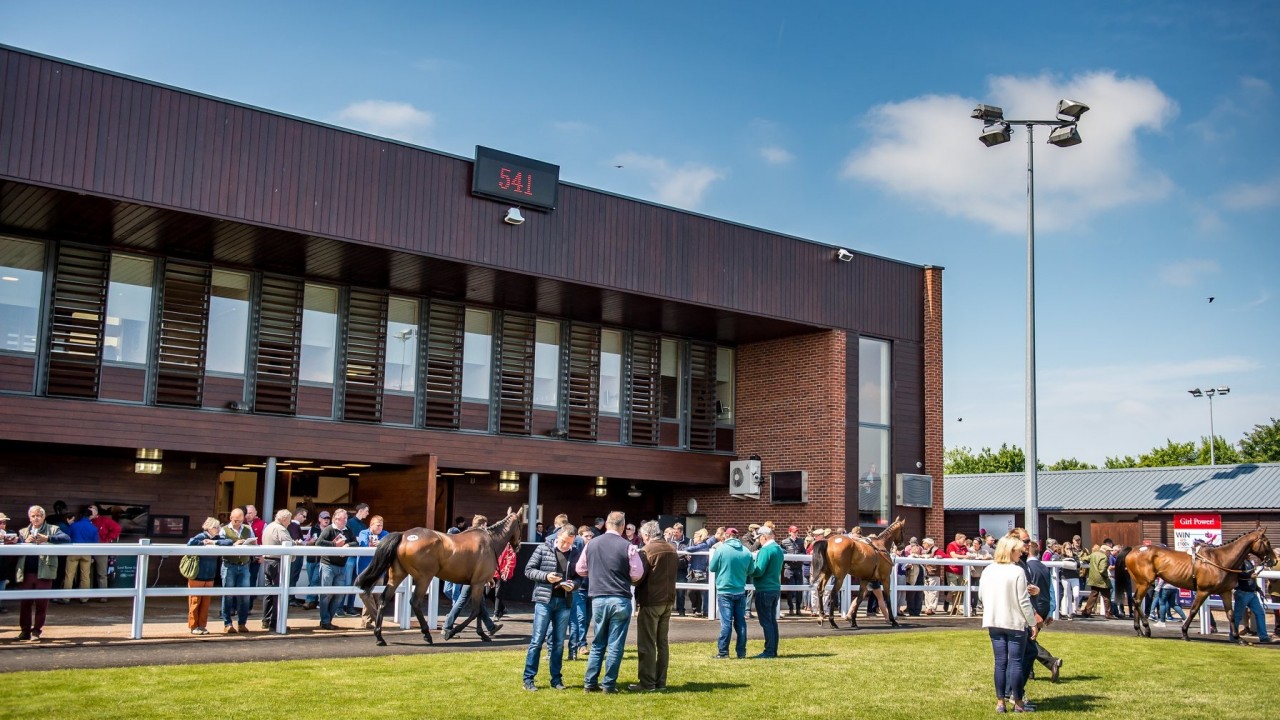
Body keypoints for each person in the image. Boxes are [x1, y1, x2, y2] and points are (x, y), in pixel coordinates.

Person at [575, 511, 643, 693]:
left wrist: (596, 572)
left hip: (598, 597)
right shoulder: (628, 546)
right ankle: (608, 685)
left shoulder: (591, 544)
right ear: (622, 526)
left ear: (606, 524)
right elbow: (637, 574)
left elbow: (580, 569)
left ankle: (590, 683)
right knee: (615, 644)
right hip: (620, 598)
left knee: (598, 643)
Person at [979, 535, 1037, 714]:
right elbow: (1024, 601)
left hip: (994, 621)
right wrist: (1032, 622)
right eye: (1019, 550)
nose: (1021, 553)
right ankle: (1018, 703)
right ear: (1011, 551)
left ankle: (1000, 702)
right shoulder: (1017, 571)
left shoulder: (988, 570)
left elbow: (981, 596)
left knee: (1000, 663)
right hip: (1014, 622)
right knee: (1017, 663)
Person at [523, 524, 577, 691]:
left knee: (559, 642)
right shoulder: (543, 548)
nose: (566, 546)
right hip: (544, 600)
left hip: (564, 601)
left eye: (570, 543)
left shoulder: (575, 552)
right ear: (558, 536)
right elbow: (528, 570)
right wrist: (546, 576)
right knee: (537, 640)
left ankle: (556, 679)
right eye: (564, 542)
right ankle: (528, 679)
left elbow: (580, 577)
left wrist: (573, 585)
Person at [630, 520, 677, 691]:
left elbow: (638, 577)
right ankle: (661, 682)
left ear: (647, 535)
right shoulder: (672, 549)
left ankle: (647, 682)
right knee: (662, 643)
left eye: (643, 536)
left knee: (647, 643)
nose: (642, 539)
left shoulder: (646, 551)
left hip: (651, 601)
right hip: (668, 600)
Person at [441, 515, 503, 640]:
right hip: (471, 577)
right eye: (485, 525)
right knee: (462, 601)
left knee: (480, 602)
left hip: (472, 576)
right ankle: (447, 626)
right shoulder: (477, 538)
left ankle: (490, 627)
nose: (487, 528)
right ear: (482, 525)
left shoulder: (469, 534)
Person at [14, 505, 71, 640]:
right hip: (27, 572)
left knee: (42, 603)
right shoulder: (22, 532)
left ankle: (36, 631)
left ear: (43, 517)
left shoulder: (53, 529)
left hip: (45, 571)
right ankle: (25, 631)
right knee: (25, 603)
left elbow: (66, 538)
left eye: (38, 515)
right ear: (29, 517)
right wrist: (24, 542)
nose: (36, 518)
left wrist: (48, 539)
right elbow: (15, 547)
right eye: (33, 516)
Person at [1018, 535, 1063, 695]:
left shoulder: (1026, 568)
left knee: (1028, 640)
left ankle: (1051, 662)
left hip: (1034, 607)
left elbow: (1027, 592)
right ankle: (1030, 673)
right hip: (1044, 606)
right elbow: (1051, 589)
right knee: (1030, 639)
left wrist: (1034, 612)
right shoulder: (1045, 567)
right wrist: (1051, 610)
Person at [709, 527, 751, 659]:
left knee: (726, 623)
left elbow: (712, 567)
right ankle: (741, 652)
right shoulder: (746, 551)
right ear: (737, 537)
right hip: (740, 590)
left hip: (724, 590)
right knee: (741, 623)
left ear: (726, 536)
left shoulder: (720, 549)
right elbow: (751, 570)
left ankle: (723, 652)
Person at [186, 517, 233, 635]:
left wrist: (214, 542)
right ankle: (193, 626)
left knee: (205, 602)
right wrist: (203, 543)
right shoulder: (201, 536)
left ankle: (202, 625)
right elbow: (190, 542)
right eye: (215, 527)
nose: (217, 530)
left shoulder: (217, 538)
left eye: (218, 527)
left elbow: (229, 542)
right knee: (195, 601)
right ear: (208, 527)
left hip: (210, 575)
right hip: (197, 575)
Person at [315, 507, 356, 630]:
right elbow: (319, 542)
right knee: (326, 594)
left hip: (342, 566)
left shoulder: (347, 530)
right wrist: (334, 545)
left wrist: (347, 545)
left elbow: (355, 542)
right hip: (328, 564)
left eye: (345, 519)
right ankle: (325, 621)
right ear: (335, 519)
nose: (343, 521)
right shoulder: (329, 529)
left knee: (338, 594)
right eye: (341, 519)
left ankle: (329, 619)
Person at [219, 508, 256, 633]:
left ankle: (242, 623)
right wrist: (234, 545)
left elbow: (253, 544)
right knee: (228, 595)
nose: (238, 523)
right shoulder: (224, 530)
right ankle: (227, 623)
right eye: (236, 520)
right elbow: (220, 544)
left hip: (244, 564)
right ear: (231, 518)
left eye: (240, 521)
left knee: (245, 595)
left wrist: (250, 544)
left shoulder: (247, 529)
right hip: (229, 564)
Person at [749, 525, 784, 658]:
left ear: (764, 536)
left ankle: (769, 651)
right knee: (772, 621)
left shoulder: (766, 550)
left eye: (759, 538)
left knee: (766, 622)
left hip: (764, 589)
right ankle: (772, 650)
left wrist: (748, 568)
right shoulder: (778, 549)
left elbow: (758, 571)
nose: (758, 541)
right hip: (774, 588)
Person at [260, 509, 293, 631]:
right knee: (278, 593)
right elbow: (288, 544)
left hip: (267, 561)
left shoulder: (269, 526)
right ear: (284, 519)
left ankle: (266, 620)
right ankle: (275, 622)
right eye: (289, 520)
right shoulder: (281, 529)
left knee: (269, 593)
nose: (289, 523)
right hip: (277, 562)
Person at [355, 515, 388, 628]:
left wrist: (379, 544)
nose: (380, 528)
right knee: (365, 594)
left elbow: (387, 545)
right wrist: (374, 544)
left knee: (377, 596)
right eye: (378, 525)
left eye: (382, 525)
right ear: (371, 525)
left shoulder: (385, 534)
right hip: (365, 569)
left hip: (379, 570)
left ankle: (366, 622)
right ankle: (377, 618)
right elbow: (363, 544)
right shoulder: (364, 533)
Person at [63, 506, 99, 603]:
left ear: (80, 515)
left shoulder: (74, 525)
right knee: (85, 576)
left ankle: (66, 597)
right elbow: (96, 544)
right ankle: (84, 598)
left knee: (69, 575)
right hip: (87, 553)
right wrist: (93, 556)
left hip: (73, 552)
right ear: (90, 515)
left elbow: (66, 537)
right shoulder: (94, 528)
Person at [1233, 555, 1272, 644]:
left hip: (1251, 592)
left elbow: (1251, 579)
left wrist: (1257, 588)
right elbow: (1238, 573)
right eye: (1248, 553)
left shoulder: (1249, 562)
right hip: (1243, 592)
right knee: (1237, 615)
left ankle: (1263, 636)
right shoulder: (1240, 562)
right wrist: (1250, 575)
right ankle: (1233, 635)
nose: (1250, 554)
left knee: (1260, 613)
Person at [567, 525, 593, 659]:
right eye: (586, 536)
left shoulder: (594, 549)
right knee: (581, 617)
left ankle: (582, 643)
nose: (589, 538)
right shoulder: (577, 551)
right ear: (580, 536)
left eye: (590, 536)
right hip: (580, 589)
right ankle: (581, 645)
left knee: (588, 618)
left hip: (593, 589)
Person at [342, 503, 370, 615]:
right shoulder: (349, 523)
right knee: (346, 582)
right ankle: (340, 607)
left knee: (355, 582)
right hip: (350, 556)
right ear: (361, 510)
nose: (367, 513)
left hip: (358, 556)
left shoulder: (363, 526)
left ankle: (350, 607)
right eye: (366, 511)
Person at [88, 504, 119, 601]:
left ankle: (103, 596)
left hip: (101, 548)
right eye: (88, 510)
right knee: (87, 573)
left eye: (91, 510)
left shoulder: (104, 520)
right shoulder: (86, 521)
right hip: (87, 549)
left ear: (96, 512)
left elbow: (117, 528)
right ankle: (86, 596)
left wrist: (108, 539)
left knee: (101, 573)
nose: (89, 512)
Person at [685, 528, 717, 617]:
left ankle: (697, 609)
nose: (693, 539)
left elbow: (689, 549)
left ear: (699, 538)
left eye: (694, 537)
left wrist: (686, 549)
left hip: (699, 572)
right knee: (696, 592)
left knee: (690, 591)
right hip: (693, 571)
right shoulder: (701, 546)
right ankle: (697, 610)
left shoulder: (703, 545)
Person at [1079, 543, 1113, 619]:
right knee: (1106, 596)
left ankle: (1087, 612)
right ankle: (1108, 613)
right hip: (1102, 580)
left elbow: (1084, 558)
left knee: (1093, 595)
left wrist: (1080, 559)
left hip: (1093, 579)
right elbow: (1102, 569)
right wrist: (1107, 576)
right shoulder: (1104, 557)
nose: (1110, 553)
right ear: (1105, 550)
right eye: (1109, 551)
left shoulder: (1093, 554)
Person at [304, 510, 329, 609]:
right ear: (319, 519)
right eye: (324, 518)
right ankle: (314, 602)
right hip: (311, 559)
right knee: (312, 581)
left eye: (327, 518)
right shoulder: (313, 529)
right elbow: (306, 541)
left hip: (322, 560)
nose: (326, 520)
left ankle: (309, 600)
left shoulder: (331, 530)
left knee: (314, 580)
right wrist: (310, 541)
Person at [779, 525, 806, 615]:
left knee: (799, 589)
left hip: (798, 568)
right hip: (788, 568)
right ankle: (791, 608)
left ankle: (798, 608)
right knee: (789, 589)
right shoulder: (784, 542)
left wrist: (799, 557)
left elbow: (804, 552)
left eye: (796, 531)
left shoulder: (801, 541)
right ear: (789, 532)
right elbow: (782, 553)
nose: (795, 533)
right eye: (794, 532)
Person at [287, 508, 309, 606]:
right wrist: (307, 543)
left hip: (295, 555)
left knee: (293, 576)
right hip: (295, 556)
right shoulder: (294, 526)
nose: (305, 519)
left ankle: (291, 597)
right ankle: (290, 598)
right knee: (293, 576)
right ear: (298, 515)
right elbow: (297, 540)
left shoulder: (293, 526)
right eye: (304, 516)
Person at [668, 522, 690, 616]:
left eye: (676, 532)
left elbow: (689, 554)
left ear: (681, 532)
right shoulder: (669, 541)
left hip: (682, 569)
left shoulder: (689, 541)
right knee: (669, 590)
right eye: (674, 532)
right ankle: (669, 609)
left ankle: (681, 610)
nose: (674, 534)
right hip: (671, 569)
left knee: (681, 591)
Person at [945, 532, 969, 614]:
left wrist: (969, 555)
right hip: (952, 570)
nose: (964, 541)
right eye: (963, 539)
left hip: (961, 571)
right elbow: (953, 555)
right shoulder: (951, 545)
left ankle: (954, 608)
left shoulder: (964, 547)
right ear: (958, 539)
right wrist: (965, 557)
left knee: (959, 591)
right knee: (953, 590)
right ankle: (947, 601)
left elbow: (967, 553)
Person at [1057, 544, 1080, 619]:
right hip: (1065, 577)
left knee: (1076, 595)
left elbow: (1078, 565)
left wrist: (1071, 557)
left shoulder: (1075, 556)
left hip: (1075, 577)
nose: (1069, 550)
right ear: (1064, 548)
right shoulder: (1061, 556)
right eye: (1067, 548)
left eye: (1070, 548)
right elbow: (1056, 563)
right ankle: (1068, 612)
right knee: (1067, 594)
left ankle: (1074, 610)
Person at [0, 512, 17, 615]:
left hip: (3, 567)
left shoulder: (9, 533)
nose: (2, 525)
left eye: (4, 522)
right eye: (0, 522)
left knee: (1, 586)